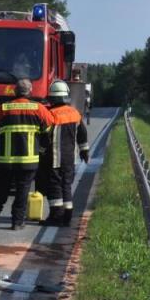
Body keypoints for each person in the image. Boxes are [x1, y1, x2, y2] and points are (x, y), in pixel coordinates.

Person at [0, 78, 54, 230]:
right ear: (30, 91)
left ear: (15, 91)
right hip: (28, 161)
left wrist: (1, 131)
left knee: (1, 190)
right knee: (22, 192)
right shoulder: (38, 108)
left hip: (6, 160)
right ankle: (17, 222)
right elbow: (49, 126)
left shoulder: (4, 108)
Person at [40, 79, 88, 226]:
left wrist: (40, 153)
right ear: (66, 96)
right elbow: (82, 135)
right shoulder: (75, 113)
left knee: (54, 188)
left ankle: (56, 217)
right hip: (70, 160)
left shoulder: (49, 115)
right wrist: (84, 151)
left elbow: (44, 138)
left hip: (54, 159)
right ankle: (67, 215)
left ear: (52, 97)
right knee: (66, 186)